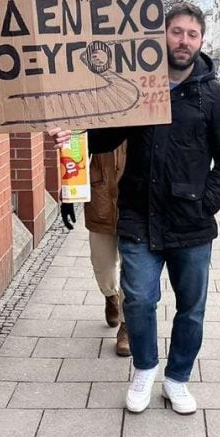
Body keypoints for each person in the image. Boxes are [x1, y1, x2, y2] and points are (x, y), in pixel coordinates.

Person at [51, 3, 220, 414]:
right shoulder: (140, 87)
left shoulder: (213, 95)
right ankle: (144, 369)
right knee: (138, 299)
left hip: (191, 224)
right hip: (138, 214)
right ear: (162, 36)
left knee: (191, 308)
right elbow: (105, 136)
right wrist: (74, 133)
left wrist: (207, 202)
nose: (184, 41)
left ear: (201, 41)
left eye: (192, 34)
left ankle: (177, 379)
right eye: (176, 32)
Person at [86, 150, 130, 357]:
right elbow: (76, 144)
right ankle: (110, 295)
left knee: (133, 268)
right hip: (100, 195)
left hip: (134, 202)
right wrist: (70, 192)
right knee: (102, 262)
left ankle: (126, 326)